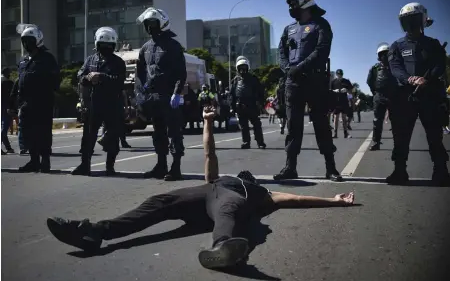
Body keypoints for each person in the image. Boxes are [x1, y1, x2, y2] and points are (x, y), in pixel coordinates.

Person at [46, 105, 355, 269]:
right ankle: (95, 232)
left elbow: (297, 198)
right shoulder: (220, 179)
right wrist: (207, 121)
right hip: (203, 196)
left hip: (222, 202)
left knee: (227, 213)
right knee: (159, 201)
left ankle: (224, 249)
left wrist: (334, 200)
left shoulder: (261, 193)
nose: (247, 174)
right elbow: (209, 152)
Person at [274, 0, 342, 181]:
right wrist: (288, 69)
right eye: (289, 4)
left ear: (305, 2)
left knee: (321, 124)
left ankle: (331, 168)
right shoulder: (289, 29)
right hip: (292, 83)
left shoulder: (321, 25)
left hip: (315, 81)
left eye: (293, 3)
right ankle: (290, 167)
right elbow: (281, 53)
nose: (291, 7)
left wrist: (300, 68)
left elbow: (322, 51)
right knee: (293, 126)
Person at [388, 2, 450, 186]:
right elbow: (395, 68)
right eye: (407, 20)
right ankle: (399, 171)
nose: (411, 23)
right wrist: (410, 79)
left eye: (414, 19)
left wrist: (426, 80)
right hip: (405, 97)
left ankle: (441, 171)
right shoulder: (396, 46)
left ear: (422, 20)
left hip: (430, 96)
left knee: (434, 136)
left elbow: (440, 65)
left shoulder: (433, 44)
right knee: (401, 137)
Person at [134, 7, 187, 181]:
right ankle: (161, 165)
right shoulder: (145, 48)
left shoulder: (174, 45)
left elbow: (181, 73)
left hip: (169, 97)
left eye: (152, 23)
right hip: (153, 98)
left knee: (174, 133)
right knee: (158, 134)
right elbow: (140, 73)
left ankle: (176, 167)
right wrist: (141, 95)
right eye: (147, 24)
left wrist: (177, 93)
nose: (149, 27)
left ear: (162, 23)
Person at [71, 27, 126, 176]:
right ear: (97, 44)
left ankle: (110, 166)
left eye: (109, 46)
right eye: (103, 45)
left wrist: (102, 77)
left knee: (112, 138)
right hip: (92, 104)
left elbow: (120, 82)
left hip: (111, 104)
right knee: (88, 136)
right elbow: (80, 76)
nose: (106, 48)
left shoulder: (118, 62)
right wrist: (88, 78)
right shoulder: (90, 60)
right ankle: (84, 165)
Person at [14, 24, 60, 172]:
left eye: (30, 41)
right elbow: (18, 81)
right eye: (25, 41)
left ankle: (45, 161)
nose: (27, 44)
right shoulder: (23, 61)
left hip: (43, 102)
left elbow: (55, 80)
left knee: (43, 132)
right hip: (26, 104)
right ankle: (33, 161)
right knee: (28, 133)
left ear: (38, 41)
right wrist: (12, 102)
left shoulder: (47, 58)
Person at [230, 56, 266, 149]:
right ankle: (246, 142)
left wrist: (261, 103)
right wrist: (232, 107)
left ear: (248, 68)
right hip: (240, 106)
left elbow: (261, 91)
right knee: (243, 126)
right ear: (238, 69)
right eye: (240, 68)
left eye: (244, 68)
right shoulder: (235, 80)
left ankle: (260, 142)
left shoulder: (254, 79)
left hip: (252, 105)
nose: (242, 70)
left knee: (257, 125)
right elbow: (232, 95)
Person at [367, 42, 397, 151]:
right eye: (382, 54)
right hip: (379, 97)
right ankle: (376, 142)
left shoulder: (395, 67)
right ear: (379, 56)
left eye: (387, 53)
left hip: (394, 97)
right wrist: (375, 92)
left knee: (396, 121)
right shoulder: (375, 68)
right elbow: (369, 81)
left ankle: (398, 144)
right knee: (377, 121)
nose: (385, 56)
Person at [330, 69, 353, 138]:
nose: (339, 76)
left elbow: (352, 91)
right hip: (336, 102)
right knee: (336, 117)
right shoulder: (333, 82)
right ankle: (335, 133)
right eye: (338, 74)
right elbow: (330, 91)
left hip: (344, 101)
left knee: (344, 118)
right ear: (336, 75)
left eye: (340, 74)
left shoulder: (346, 81)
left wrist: (347, 90)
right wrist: (335, 91)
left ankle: (345, 133)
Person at [1, 68, 15, 155]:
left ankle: (8, 147)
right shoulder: (8, 83)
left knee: (3, 128)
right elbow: (12, 97)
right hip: (6, 107)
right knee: (5, 127)